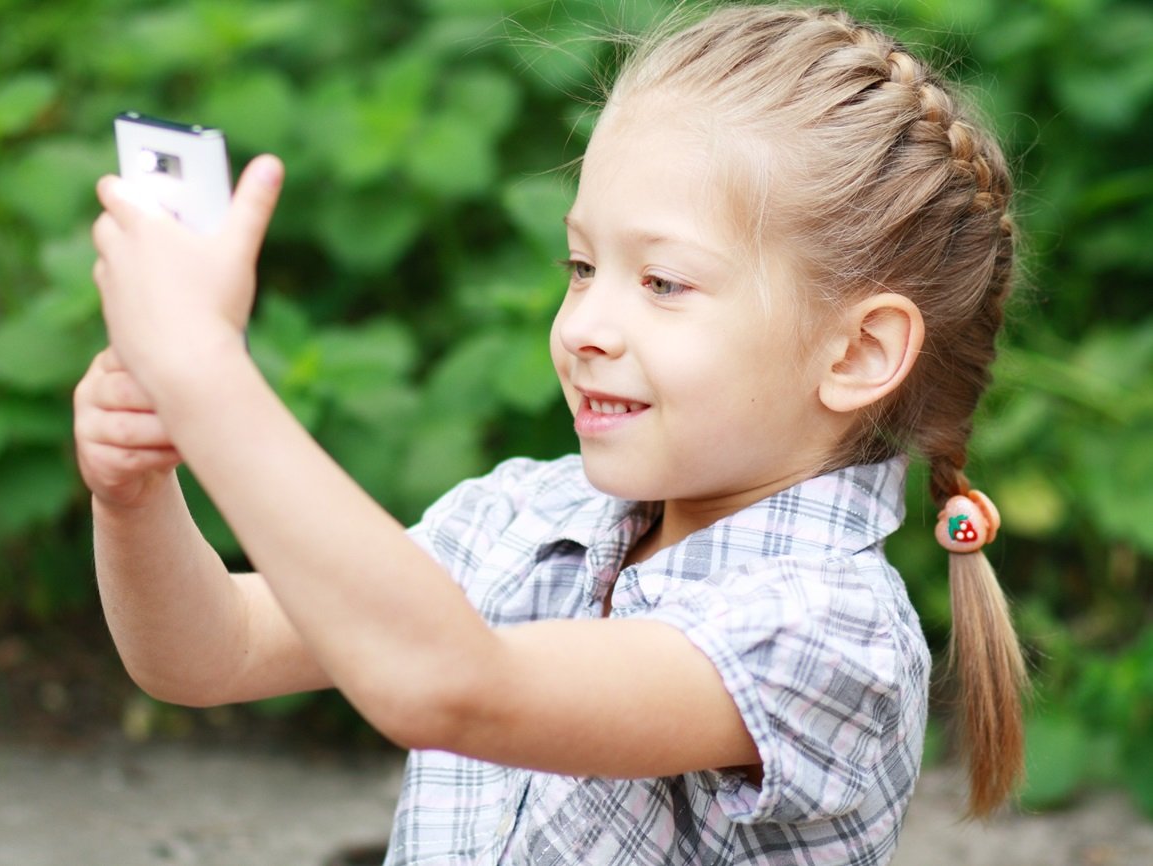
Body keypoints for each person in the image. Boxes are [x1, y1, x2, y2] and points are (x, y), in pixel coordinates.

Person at [74, 4, 1027, 863]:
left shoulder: (829, 632)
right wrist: (134, 494)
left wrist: (207, 375)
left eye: (663, 282)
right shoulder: (522, 515)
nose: (583, 328)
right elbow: (212, 652)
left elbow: (447, 686)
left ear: (858, 352)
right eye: (580, 266)